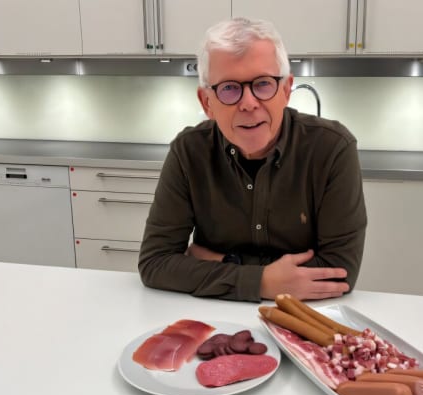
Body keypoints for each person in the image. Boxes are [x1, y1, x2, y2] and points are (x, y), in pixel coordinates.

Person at [138, 17, 366, 302]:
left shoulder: (333, 149)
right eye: (229, 88)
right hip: (211, 316)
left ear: (285, 90)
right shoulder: (188, 152)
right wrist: (261, 282)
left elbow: (339, 273)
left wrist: (219, 263)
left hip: (305, 318)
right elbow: (155, 263)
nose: (248, 103)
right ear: (207, 102)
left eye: (263, 83)